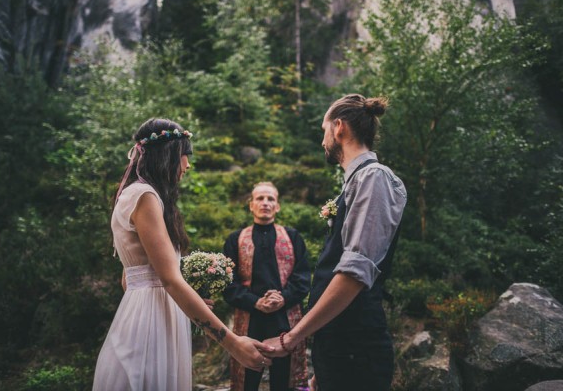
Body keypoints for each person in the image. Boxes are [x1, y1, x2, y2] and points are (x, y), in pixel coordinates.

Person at [93, 118, 274, 391]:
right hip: (152, 323)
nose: (187, 165)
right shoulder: (145, 196)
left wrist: (186, 301)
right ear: (166, 156)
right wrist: (232, 343)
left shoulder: (130, 195)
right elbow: (170, 280)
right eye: (184, 156)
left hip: (143, 312)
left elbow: (129, 280)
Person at [263, 94, 407, 391]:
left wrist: (291, 339)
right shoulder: (356, 182)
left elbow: (354, 274)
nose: (322, 141)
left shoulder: (373, 178)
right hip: (340, 350)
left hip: (357, 351)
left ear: (339, 127)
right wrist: (324, 366)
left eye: (323, 130)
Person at [223, 182, 311, 391]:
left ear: (277, 206)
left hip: (285, 321)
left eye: (270, 199)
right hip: (250, 320)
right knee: (247, 382)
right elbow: (229, 284)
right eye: (260, 198)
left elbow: (303, 278)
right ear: (251, 205)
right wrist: (256, 302)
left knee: (284, 382)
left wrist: (283, 298)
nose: (265, 203)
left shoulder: (293, 237)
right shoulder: (235, 240)